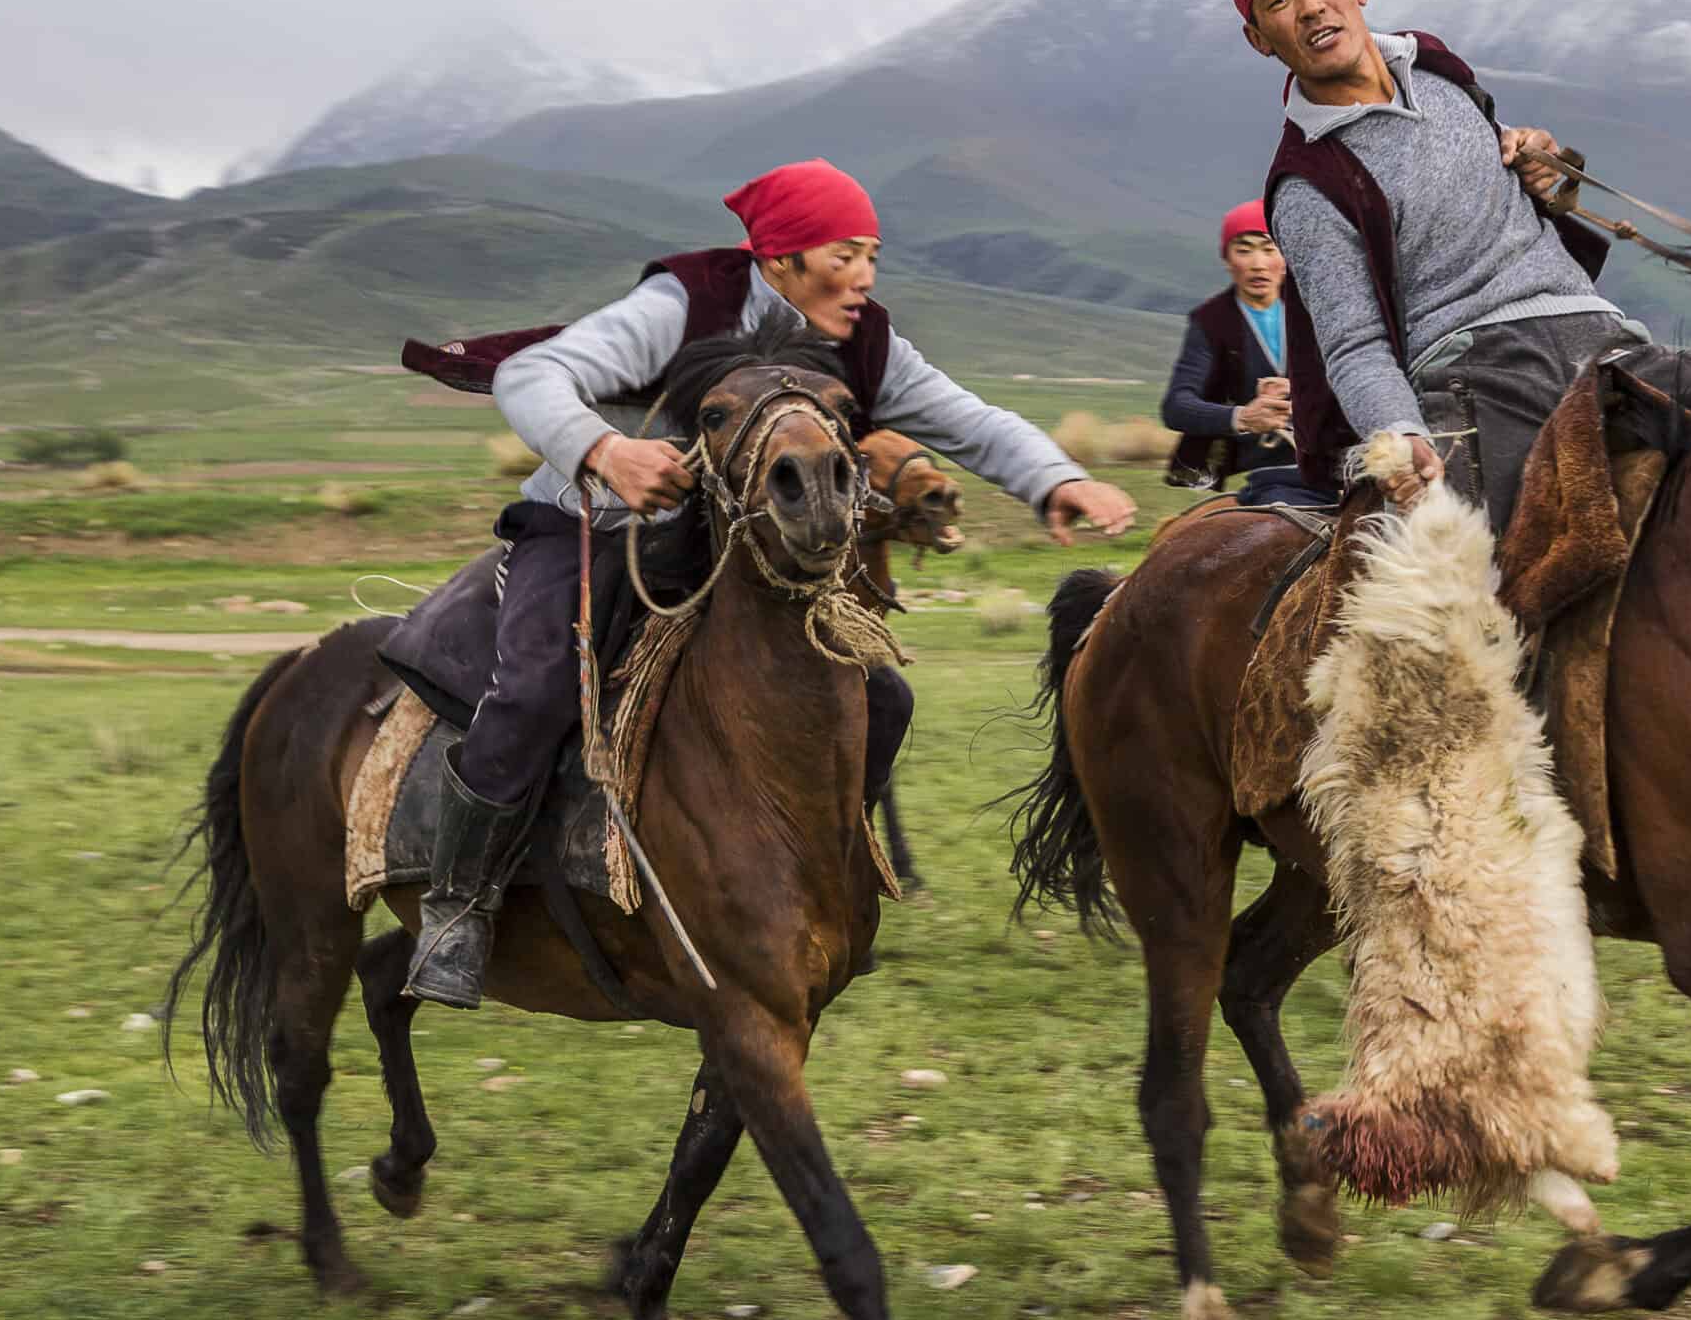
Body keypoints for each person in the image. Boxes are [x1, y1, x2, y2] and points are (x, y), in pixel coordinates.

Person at [396, 159, 1136, 1008]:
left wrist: (1056, 478)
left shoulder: (864, 340)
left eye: (873, 256)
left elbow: (971, 420)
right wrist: (609, 452)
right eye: (845, 255)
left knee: (882, 698)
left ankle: (819, 874)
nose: (863, 277)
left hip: (732, 557)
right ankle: (459, 905)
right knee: (531, 688)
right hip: (592, 525)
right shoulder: (682, 305)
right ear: (779, 259)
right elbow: (533, 375)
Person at [1225, 0, 1646, 531]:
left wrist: (1530, 154)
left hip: (1596, 329)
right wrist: (1399, 434)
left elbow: (1490, 150)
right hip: (1474, 373)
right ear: (1261, 38)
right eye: (1279, 0)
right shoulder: (1310, 185)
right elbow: (1355, 346)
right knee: (1488, 576)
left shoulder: (1436, 67)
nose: (1310, 6)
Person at [1158, 201, 1295, 492]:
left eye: (1269, 249)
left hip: (1325, 460)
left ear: (1285, 256)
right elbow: (1176, 406)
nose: (1258, 263)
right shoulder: (1211, 322)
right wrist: (1242, 417)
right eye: (1244, 250)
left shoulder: (1316, 310)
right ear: (1227, 260)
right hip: (1248, 470)